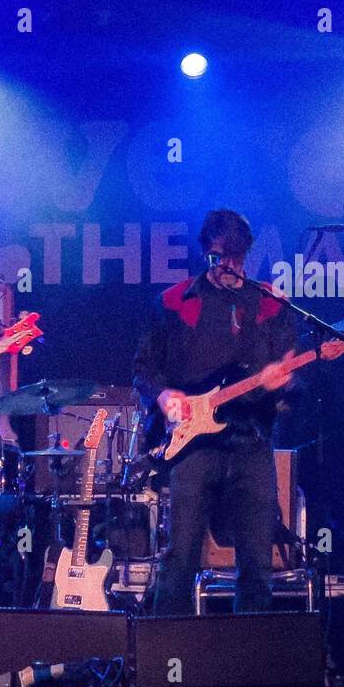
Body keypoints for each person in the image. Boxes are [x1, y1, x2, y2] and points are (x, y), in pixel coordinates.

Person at [133, 209, 296, 615]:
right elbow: (143, 370)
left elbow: (291, 374)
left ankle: (248, 660)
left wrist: (283, 381)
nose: (229, 267)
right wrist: (165, 396)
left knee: (257, 561)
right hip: (194, 446)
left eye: (238, 258)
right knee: (182, 555)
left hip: (251, 440)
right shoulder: (174, 302)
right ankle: (168, 656)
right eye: (220, 257)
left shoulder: (270, 304)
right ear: (205, 252)